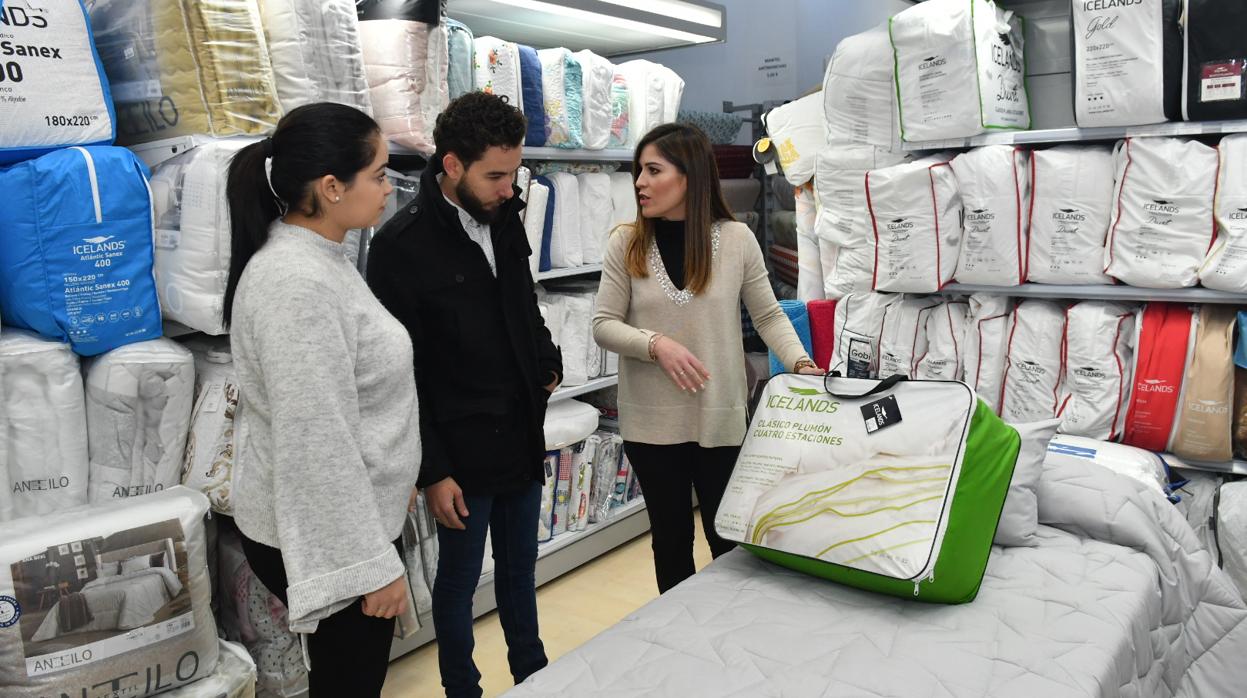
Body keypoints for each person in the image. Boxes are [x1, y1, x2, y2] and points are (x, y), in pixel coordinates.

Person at [223, 102, 421, 696]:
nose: (391, 188)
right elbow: (316, 439)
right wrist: (371, 568)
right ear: (332, 187)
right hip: (325, 532)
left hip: (341, 517)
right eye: (381, 174)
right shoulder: (296, 282)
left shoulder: (322, 259)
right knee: (349, 683)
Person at [367, 92, 560, 697]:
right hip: (460, 446)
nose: (508, 187)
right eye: (495, 175)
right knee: (457, 582)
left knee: (520, 569)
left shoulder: (505, 218)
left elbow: (523, 303)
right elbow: (399, 374)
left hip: (520, 427)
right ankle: (462, 689)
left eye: (514, 172)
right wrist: (434, 469)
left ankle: (533, 675)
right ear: (451, 165)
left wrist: (547, 359)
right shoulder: (402, 245)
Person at [593, 123, 824, 593]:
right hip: (652, 425)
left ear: (690, 176)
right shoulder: (626, 242)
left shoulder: (736, 240)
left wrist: (801, 363)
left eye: (653, 170)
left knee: (730, 543)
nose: (639, 181)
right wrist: (656, 344)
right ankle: (685, 646)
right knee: (671, 542)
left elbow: (769, 316)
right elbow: (603, 325)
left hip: (719, 416)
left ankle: (733, 638)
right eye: (638, 170)